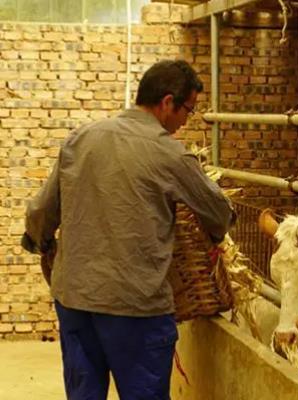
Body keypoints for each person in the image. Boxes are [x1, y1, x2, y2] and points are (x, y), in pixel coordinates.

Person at [21, 60, 235, 400]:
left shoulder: (81, 138)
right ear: (168, 103)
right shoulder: (169, 153)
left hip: (75, 300)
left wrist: (39, 243)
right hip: (136, 308)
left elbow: (41, 213)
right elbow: (219, 214)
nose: (185, 122)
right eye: (188, 111)